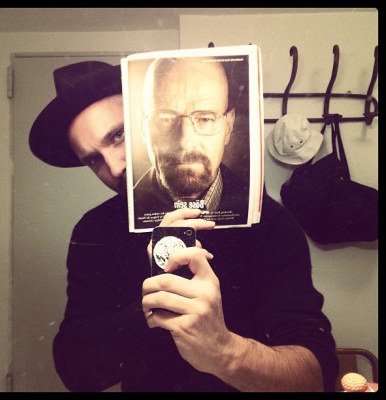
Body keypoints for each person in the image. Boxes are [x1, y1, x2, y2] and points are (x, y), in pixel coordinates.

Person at [29, 60, 339, 392]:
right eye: (92, 159)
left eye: (118, 135)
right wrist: (152, 309)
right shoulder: (96, 230)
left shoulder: (270, 223)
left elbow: (315, 376)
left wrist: (224, 352)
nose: (114, 168)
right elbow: (76, 370)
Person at [133, 57, 250, 227]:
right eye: (165, 119)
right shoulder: (99, 231)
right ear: (143, 127)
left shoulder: (275, 225)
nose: (185, 142)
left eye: (205, 119)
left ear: (228, 126)